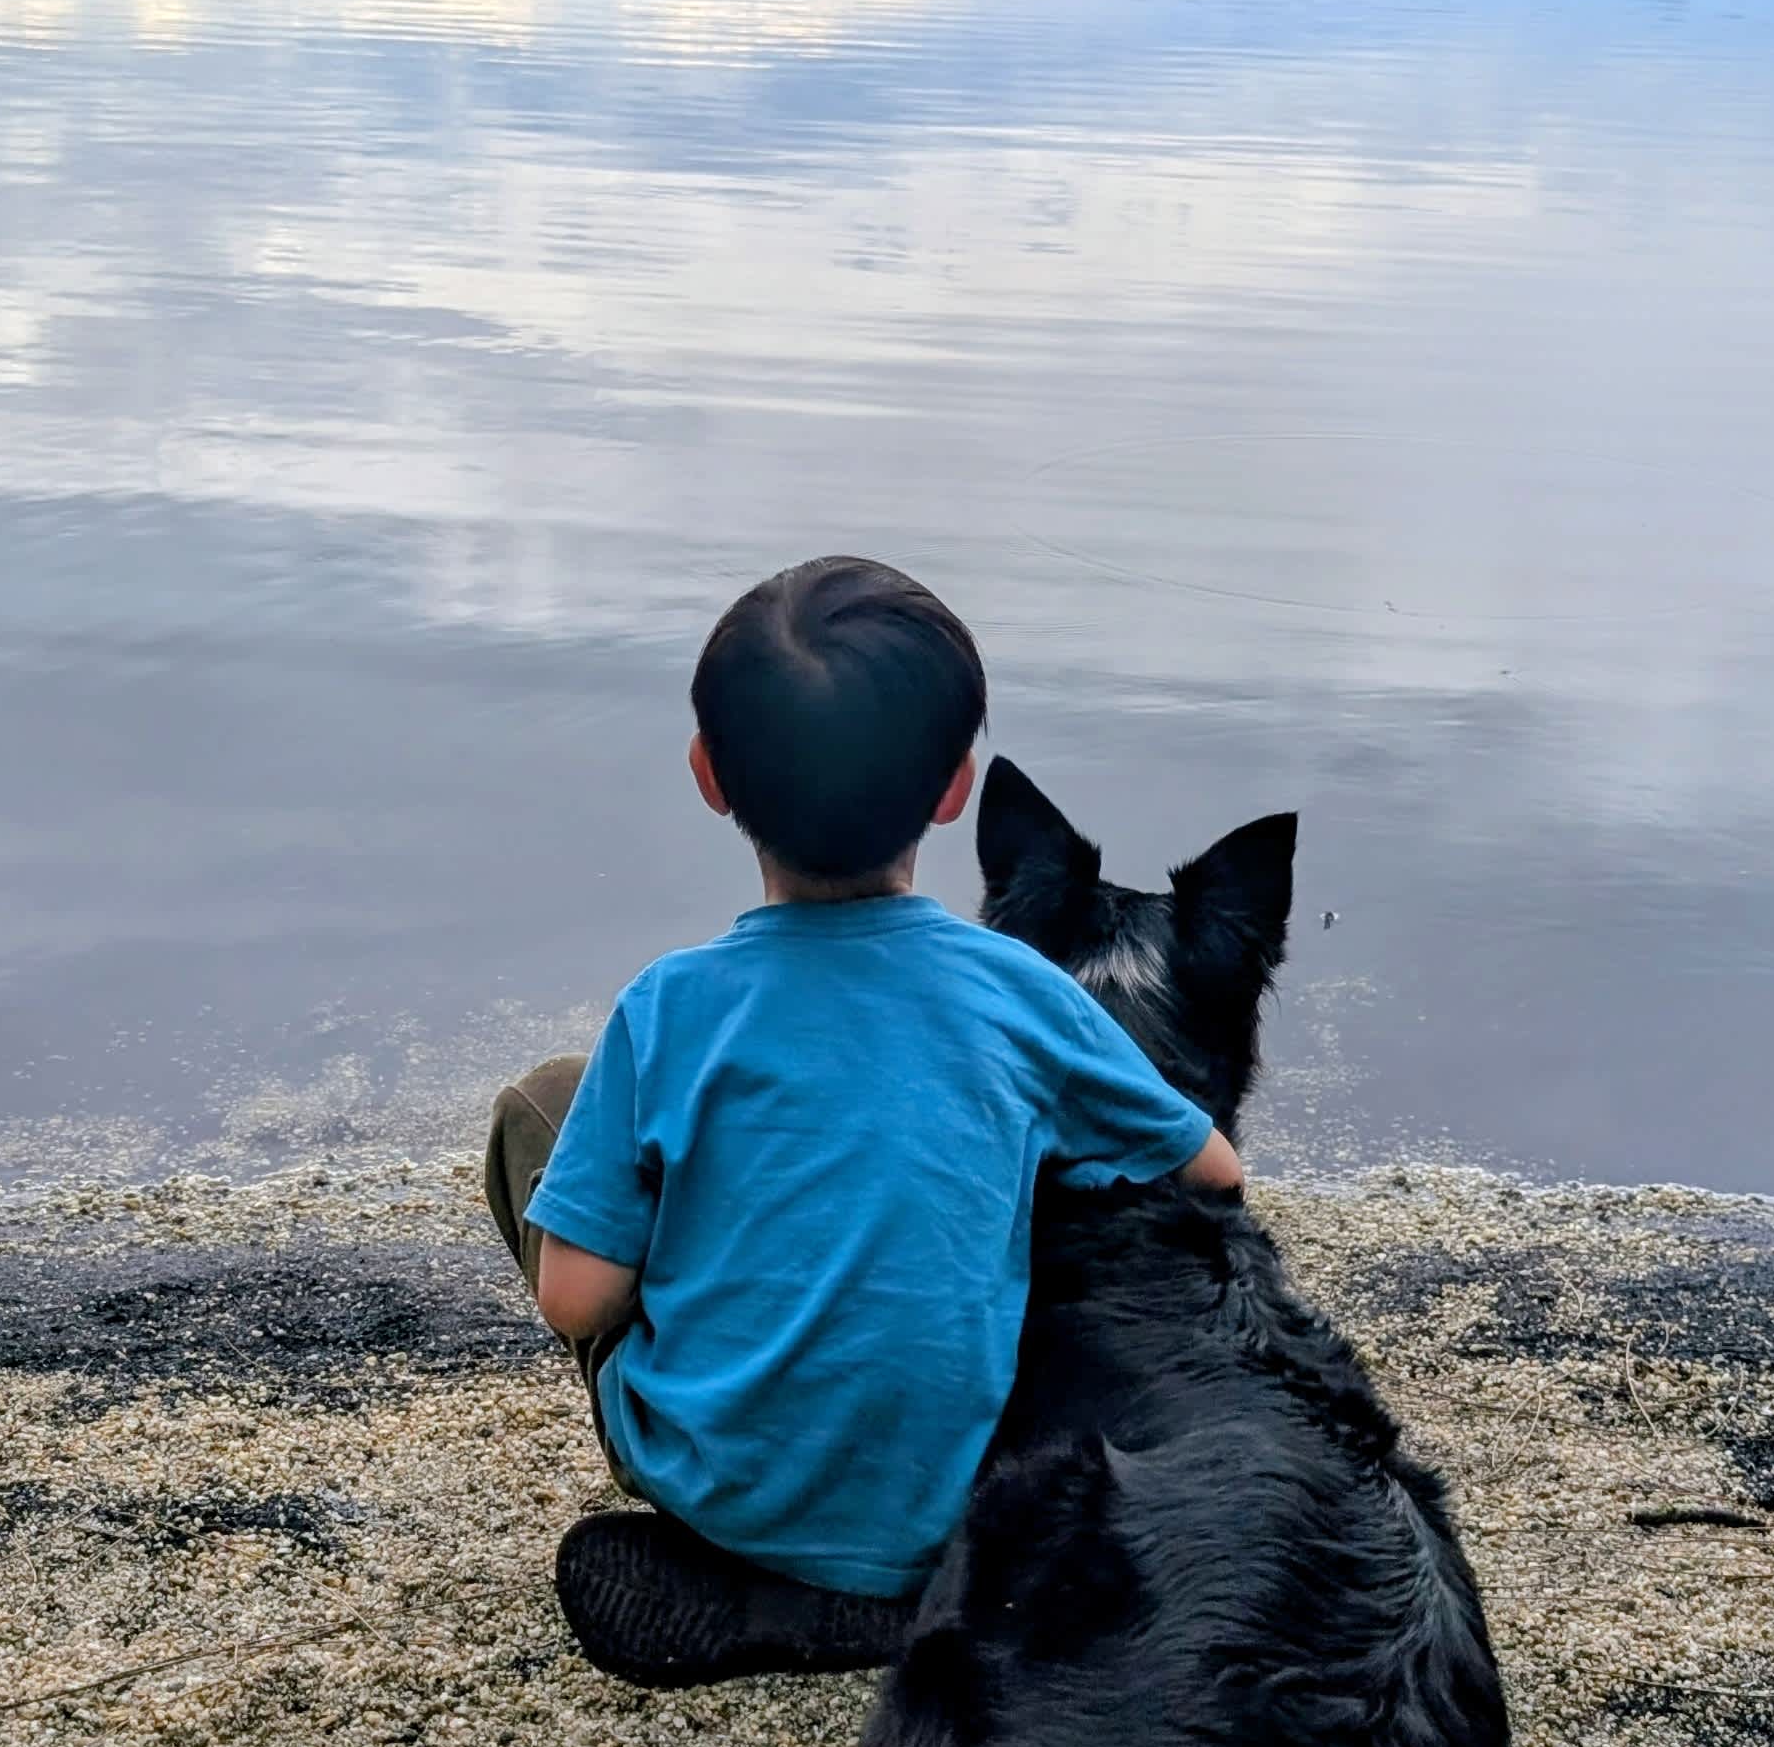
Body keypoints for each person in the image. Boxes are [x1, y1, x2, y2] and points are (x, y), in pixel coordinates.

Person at [483, 555, 1244, 1683]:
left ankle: (738, 1545)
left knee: (542, 1105)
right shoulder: (1020, 994)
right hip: (956, 1500)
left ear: (708, 774)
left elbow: (574, 1298)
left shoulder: (672, 1007)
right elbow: (1214, 1175)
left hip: (718, 1487)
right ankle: (895, 1589)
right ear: (953, 789)